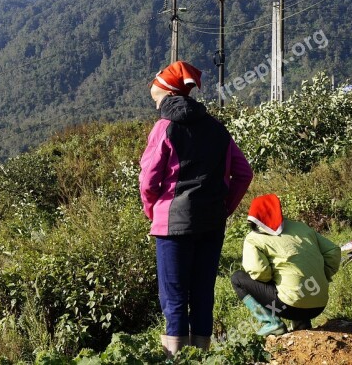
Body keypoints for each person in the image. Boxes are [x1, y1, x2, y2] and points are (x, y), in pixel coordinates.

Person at [139, 61, 253, 357]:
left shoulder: (164, 127)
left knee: (174, 299)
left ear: (165, 91)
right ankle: (203, 358)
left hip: (172, 225)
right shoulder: (217, 129)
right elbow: (243, 173)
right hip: (211, 222)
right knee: (203, 294)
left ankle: (175, 359)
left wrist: (152, 211)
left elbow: (149, 180)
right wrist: (224, 208)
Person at [231, 193, 340, 335]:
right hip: (319, 304)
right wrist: (321, 275)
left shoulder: (254, 238)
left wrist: (273, 280)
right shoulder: (302, 228)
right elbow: (333, 251)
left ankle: (272, 323)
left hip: (287, 307)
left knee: (238, 278)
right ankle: (302, 323)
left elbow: (259, 272)